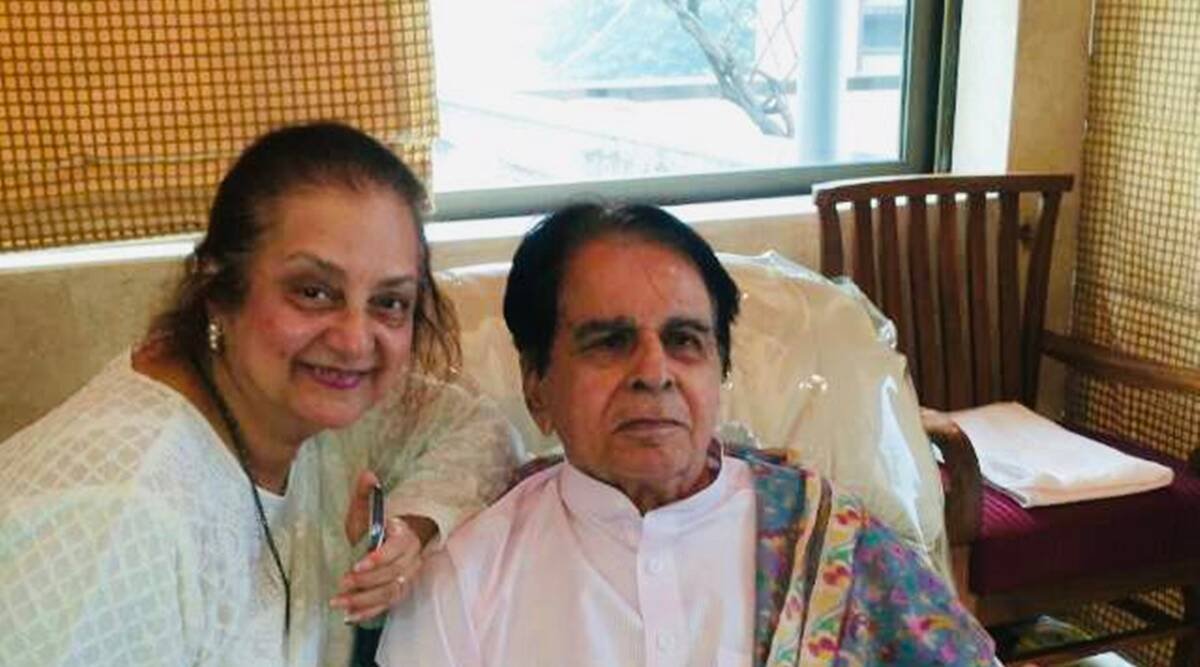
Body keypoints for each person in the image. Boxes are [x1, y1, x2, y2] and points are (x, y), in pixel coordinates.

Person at [377, 203, 996, 666]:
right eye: (609, 342)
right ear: (537, 383)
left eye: (684, 341)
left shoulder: (835, 544)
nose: (654, 372)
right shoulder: (468, 577)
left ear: (718, 373)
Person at [0, 122, 516, 666]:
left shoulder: (311, 411)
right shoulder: (119, 516)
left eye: (389, 302)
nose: (354, 340)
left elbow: (477, 431)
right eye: (313, 292)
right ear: (219, 289)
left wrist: (410, 528)